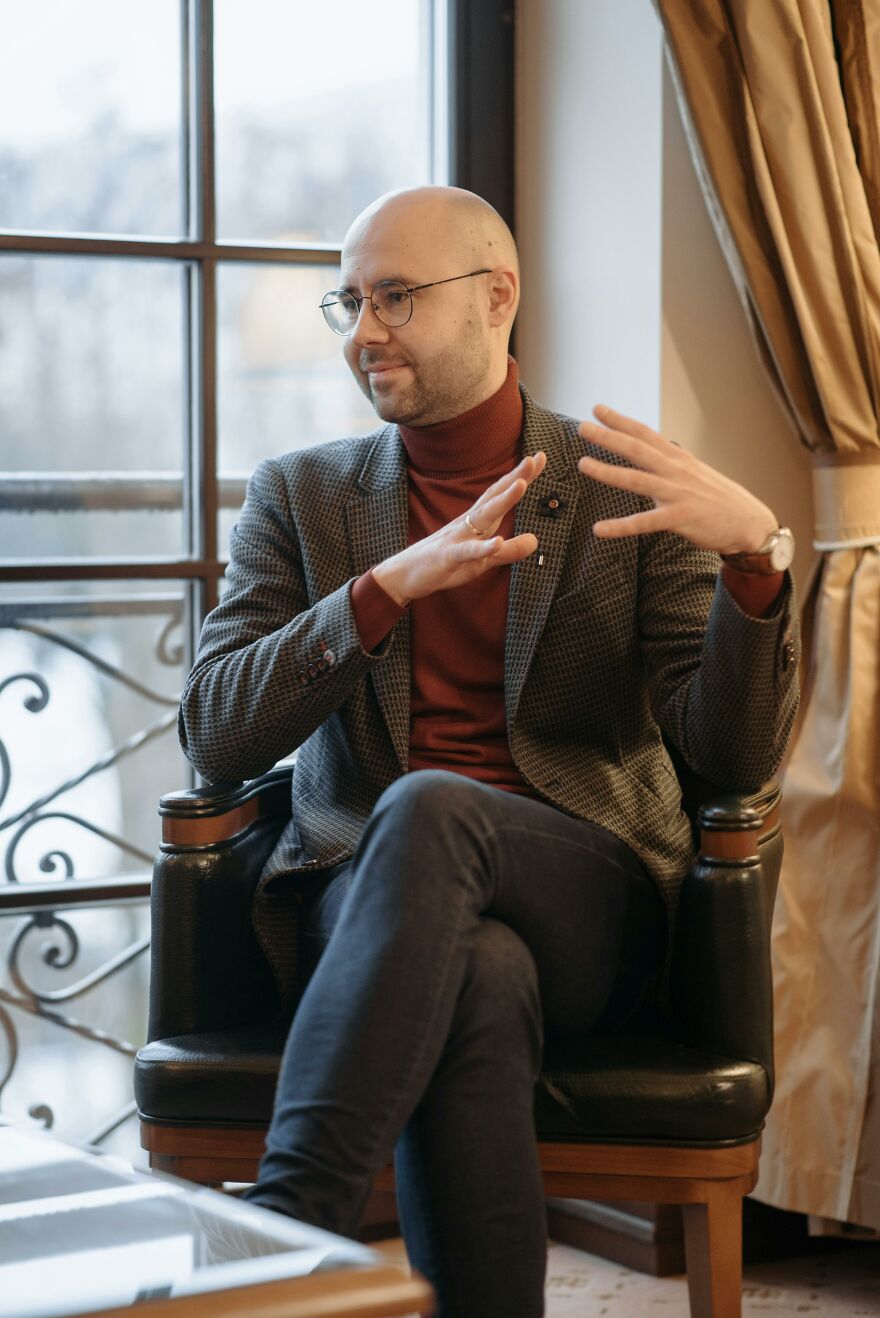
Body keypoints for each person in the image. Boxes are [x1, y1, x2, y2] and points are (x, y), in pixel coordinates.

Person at [178, 185, 799, 1317]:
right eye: (351, 302)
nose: (364, 332)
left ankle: (274, 1240)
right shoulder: (303, 497)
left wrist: (754, 572)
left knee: (433, 808)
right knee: (478, 968)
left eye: (397, 297)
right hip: (365, 907)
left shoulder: (615, 479)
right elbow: (215, 734)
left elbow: (731, 756)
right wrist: (376, 595)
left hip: (591, 899)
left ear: (496, 297)